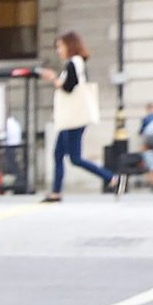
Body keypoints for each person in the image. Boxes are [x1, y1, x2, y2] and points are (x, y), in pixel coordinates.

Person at [38, 30, 112, 201]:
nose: (58, 50)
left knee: (75, 158)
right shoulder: (77, 63)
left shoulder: (73, 63)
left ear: (69, 45)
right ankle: (56, 192)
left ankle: (112, 178)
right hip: (71, 118)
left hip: (74, 118)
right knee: (58, 154)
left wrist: (53, 78)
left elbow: (69, 88)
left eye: (60, 46)